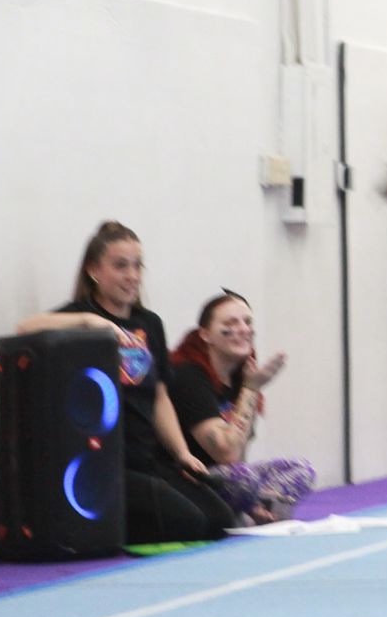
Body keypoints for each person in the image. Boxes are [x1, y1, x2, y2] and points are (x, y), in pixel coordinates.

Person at [18, 222, 236, 543]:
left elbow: (159, 395)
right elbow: (24, 327)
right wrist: (87, 321)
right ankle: (113, 528)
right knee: (188, 522)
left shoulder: (149, 323)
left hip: (147, 456)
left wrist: (181, 453)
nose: (132, 276)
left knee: (220, 520)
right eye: (121, 266)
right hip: (108, 462)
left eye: (137, 266)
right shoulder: (81, 316)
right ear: (94, 270)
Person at [169, 290, 317, 521]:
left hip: (228, 475)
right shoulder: (190, 376)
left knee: (301, 469)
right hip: (191, 478)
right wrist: (251, 389)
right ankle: (258, 513)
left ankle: (264, 514)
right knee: (243, 478)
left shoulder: (241, 377)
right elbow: (226, 453)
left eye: (247, 322)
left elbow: (239, 454)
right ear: (206, 334)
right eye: (230, 324)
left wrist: (253, 496)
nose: (243, 329)